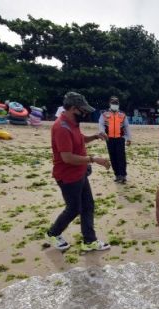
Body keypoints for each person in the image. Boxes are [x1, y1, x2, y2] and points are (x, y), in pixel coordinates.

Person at [46, 92, 111, 252]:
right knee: (74, 208)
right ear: (73, 108)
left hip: (80, 173)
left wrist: (95, 136)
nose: (86, 113)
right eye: (83, 110)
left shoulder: (72, 123)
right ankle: (53, 233)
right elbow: (67, 157)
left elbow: (79, 139)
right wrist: (93, 159)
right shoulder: (61, 127)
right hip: (68, 176)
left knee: (88, 206)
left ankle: (89, 241)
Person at [98, 96, 132, 184]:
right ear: (109, 103)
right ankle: (117, 175)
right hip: (109, 138)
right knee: (113, 157)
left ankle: (123, 175)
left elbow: (126, 127)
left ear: (118, 104)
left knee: (121, 157)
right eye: (113, 103)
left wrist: (129, 138)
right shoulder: (104, 114)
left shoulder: (122, 114)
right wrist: (102, 132)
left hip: (120, 139)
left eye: (116, 103)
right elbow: (101, 124)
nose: (115, 105)